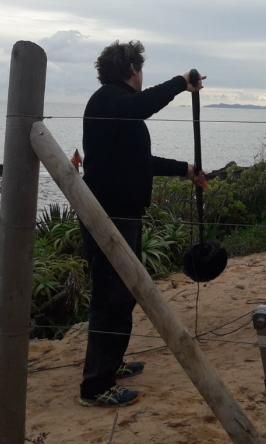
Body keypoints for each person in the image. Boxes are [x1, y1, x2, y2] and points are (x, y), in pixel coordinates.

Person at [79, 40, 206, 407]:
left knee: (123, 293)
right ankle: (95, 385)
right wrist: (181, 82)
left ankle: (111, 364)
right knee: (109, 297)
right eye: (140, 68)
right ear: (132, 70)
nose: (141, 74)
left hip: (123, 215)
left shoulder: (116, 106)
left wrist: (186, 170)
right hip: (108, 218)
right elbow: (143, 105)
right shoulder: (109, 101)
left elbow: (140, 160)